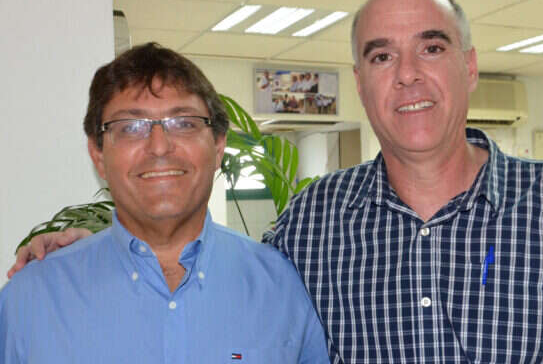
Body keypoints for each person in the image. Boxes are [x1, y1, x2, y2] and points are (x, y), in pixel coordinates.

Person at [9, 0, 543, 363]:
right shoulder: (314, 223)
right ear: (361, 82)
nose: (408, 74)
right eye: (382, 55)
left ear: (469, 67)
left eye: (432, 47)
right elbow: (207, 263)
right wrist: (89, 256)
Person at [0, 43, 329, 363]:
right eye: (131, 127)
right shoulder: (30, 300)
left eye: (183, 123)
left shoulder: (282, 289)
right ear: (98, 155)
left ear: (218, 147)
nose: (159, 146)